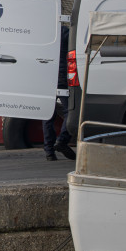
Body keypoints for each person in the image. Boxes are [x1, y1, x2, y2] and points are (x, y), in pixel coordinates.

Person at [43, 25, 75, 161]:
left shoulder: (44, 32)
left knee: (47, 115)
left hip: (46, 76)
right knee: (71, 111)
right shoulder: (65, 32)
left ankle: (49, 151)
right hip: (62, 77)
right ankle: (62, 141)